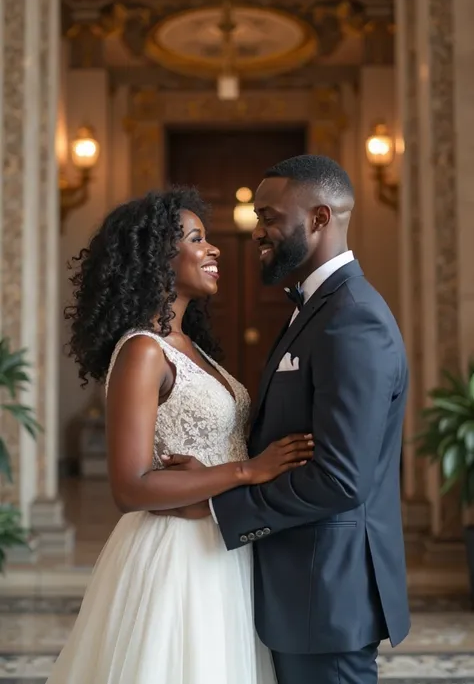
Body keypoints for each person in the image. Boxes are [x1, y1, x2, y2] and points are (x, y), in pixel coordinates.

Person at [46, 187, 314, 684]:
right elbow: (129, 487)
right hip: (176, 557)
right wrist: (245, 471)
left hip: (222, 542)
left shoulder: (191, 347)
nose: (213, 249)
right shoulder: (143, 352)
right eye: (197, 239)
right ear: (155, 258)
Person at [165, 155, 411, 684]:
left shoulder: (355, 319)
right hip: (300, 594)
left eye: (269, 216)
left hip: (327, 597)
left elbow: (341, 478)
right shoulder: (316, 308)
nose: (258, 232)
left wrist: (217, 504)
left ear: (320, 218)